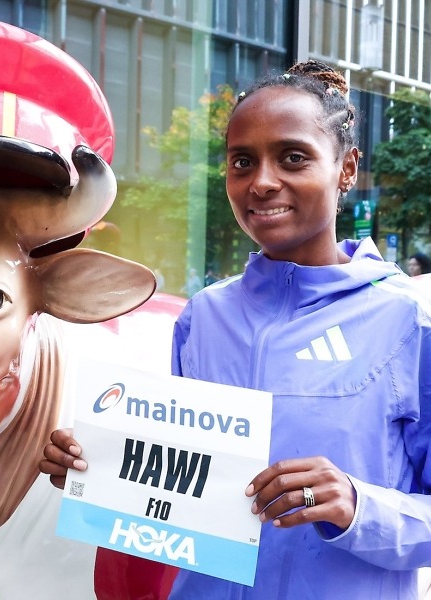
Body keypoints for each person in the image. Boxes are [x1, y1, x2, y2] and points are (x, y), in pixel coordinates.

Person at [40, 60, 431, 598]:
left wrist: (358, 506)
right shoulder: (202, 318)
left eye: (293, 157)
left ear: (346, 168)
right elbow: (182, 495)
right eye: (242, 162)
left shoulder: (408, 322)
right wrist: (101, 472)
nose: (263, 182)